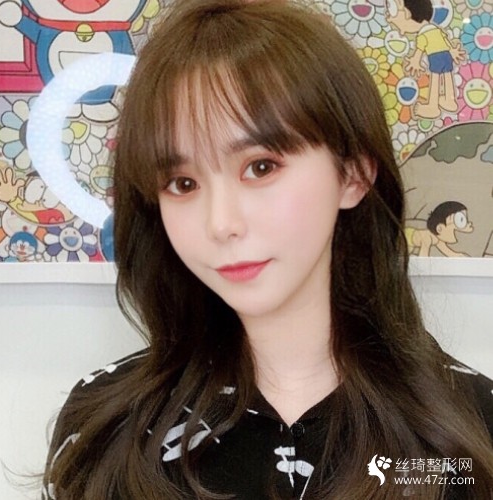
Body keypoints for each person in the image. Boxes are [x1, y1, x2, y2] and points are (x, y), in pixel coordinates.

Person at [42, 1, 493, 499]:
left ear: (352, 174)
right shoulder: (107, 430)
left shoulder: (469, 428)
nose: (221, 224)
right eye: (183, 183)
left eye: (260, 167)